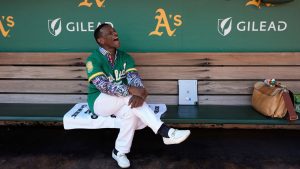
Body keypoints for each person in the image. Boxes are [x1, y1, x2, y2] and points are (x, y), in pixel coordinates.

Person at [85, 23, 191, 168]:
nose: (115, 34)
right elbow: (103, 86)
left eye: (115, 31)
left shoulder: (125, 57)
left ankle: (119, 151)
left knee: (131, 111)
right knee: (128, 98)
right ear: (101, 40)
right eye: (110, 33)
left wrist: (139, 93)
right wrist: (132, 91)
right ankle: (164, 131)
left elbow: (134, 78)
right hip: (99, 101)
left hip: (120, 100)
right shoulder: (93, 59)